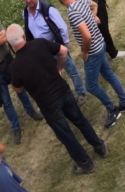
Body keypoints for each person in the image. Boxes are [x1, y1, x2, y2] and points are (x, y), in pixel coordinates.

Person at [7, 24, 107, 174]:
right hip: (63, 91)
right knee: (80, 120)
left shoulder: (14, 66)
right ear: (24, 37)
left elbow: (17, 88)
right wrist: (59, 68)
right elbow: (63, 51)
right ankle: (100, 146)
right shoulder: (40, 43)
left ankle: (86, 164)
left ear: (10, 45)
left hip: (47, 104)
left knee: (66, 135)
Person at [53, 0, 125, 129]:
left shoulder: (73, 13)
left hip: (93, 51)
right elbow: (94, 5)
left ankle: (112, 109)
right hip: (101, 43)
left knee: (91, 86)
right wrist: (92, 18)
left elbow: (87, 37)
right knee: (109, 74)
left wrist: (84, 52)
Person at [21, 0, 87, 104]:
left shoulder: (48, 9)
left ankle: (81, 92)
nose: (28, 1)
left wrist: (63, 46)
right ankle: (62, 96)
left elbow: (63, 28)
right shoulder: (25, 13)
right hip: (42, 51)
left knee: (71, 70)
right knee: (52, 75)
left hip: (56, 46)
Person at [0, 27, 43, 145]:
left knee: (20, 87)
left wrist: (2, 38)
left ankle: (31, 111)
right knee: (6, 100)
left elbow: (5, 36)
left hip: (7, 60)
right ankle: (16, 127)